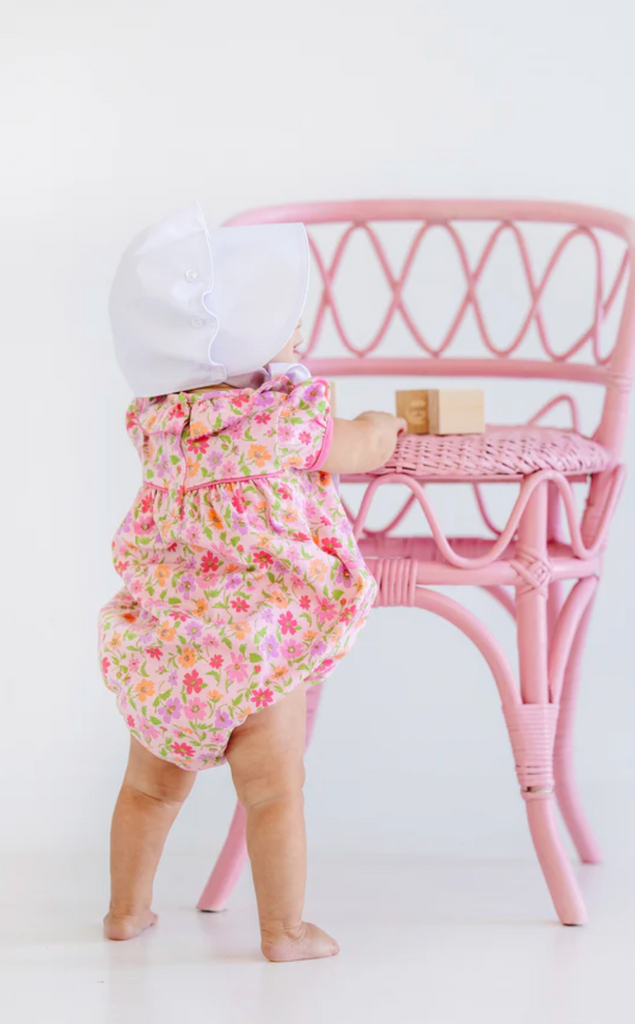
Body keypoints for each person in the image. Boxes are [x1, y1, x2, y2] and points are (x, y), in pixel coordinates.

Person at [99, 201, 406, 962]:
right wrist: (383, 424)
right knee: (273, 795)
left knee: (148, 789)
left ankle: (126, 912)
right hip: (256, 647)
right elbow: (361, 447)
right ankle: (283, 932)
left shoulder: (160, 423)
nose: (296, 330)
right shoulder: (283, 421)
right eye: (282, 320)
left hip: (168, 646)